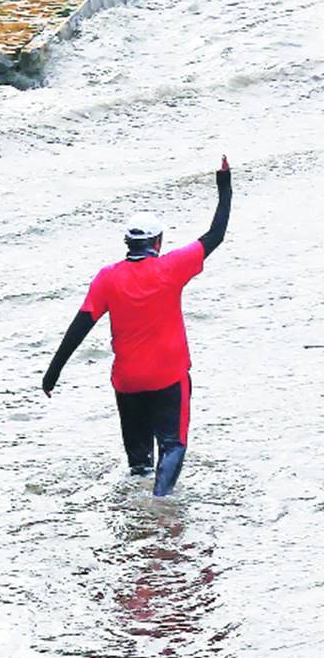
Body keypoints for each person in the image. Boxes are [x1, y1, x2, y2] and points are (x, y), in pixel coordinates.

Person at [41, 157, 233, 497]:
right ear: (157, 242)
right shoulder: (172, 268)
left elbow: (79, 327)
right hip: (168, 378)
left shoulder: (107, 278)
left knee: (139, 463)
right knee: (172, 445)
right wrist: (224, 183)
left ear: (127, 243)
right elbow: (216, 234)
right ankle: (160, 505)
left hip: (127, 383)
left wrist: (52, 373)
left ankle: (136, 511)